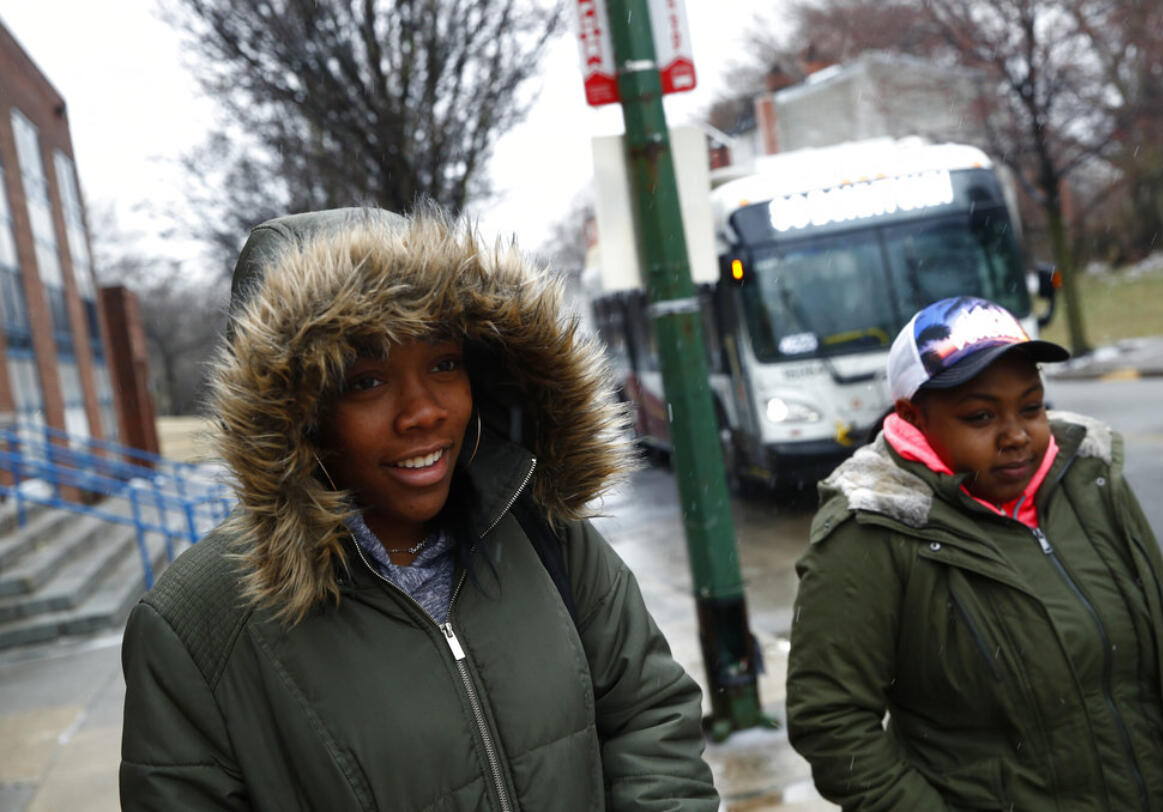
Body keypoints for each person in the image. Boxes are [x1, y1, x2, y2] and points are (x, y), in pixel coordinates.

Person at [119, 206, 720, 811]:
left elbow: (651, 718)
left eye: (443, 363)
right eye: (367, 381)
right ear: (294, 415)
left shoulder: (542, 527)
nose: (424, 411)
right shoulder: (195, 629)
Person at [786, 296, 1163, 810]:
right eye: (980, 415)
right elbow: (831, 723)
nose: (1017, 435)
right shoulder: (872, 530)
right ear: (912, 417)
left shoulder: (1091, 479)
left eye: (1032, 406)